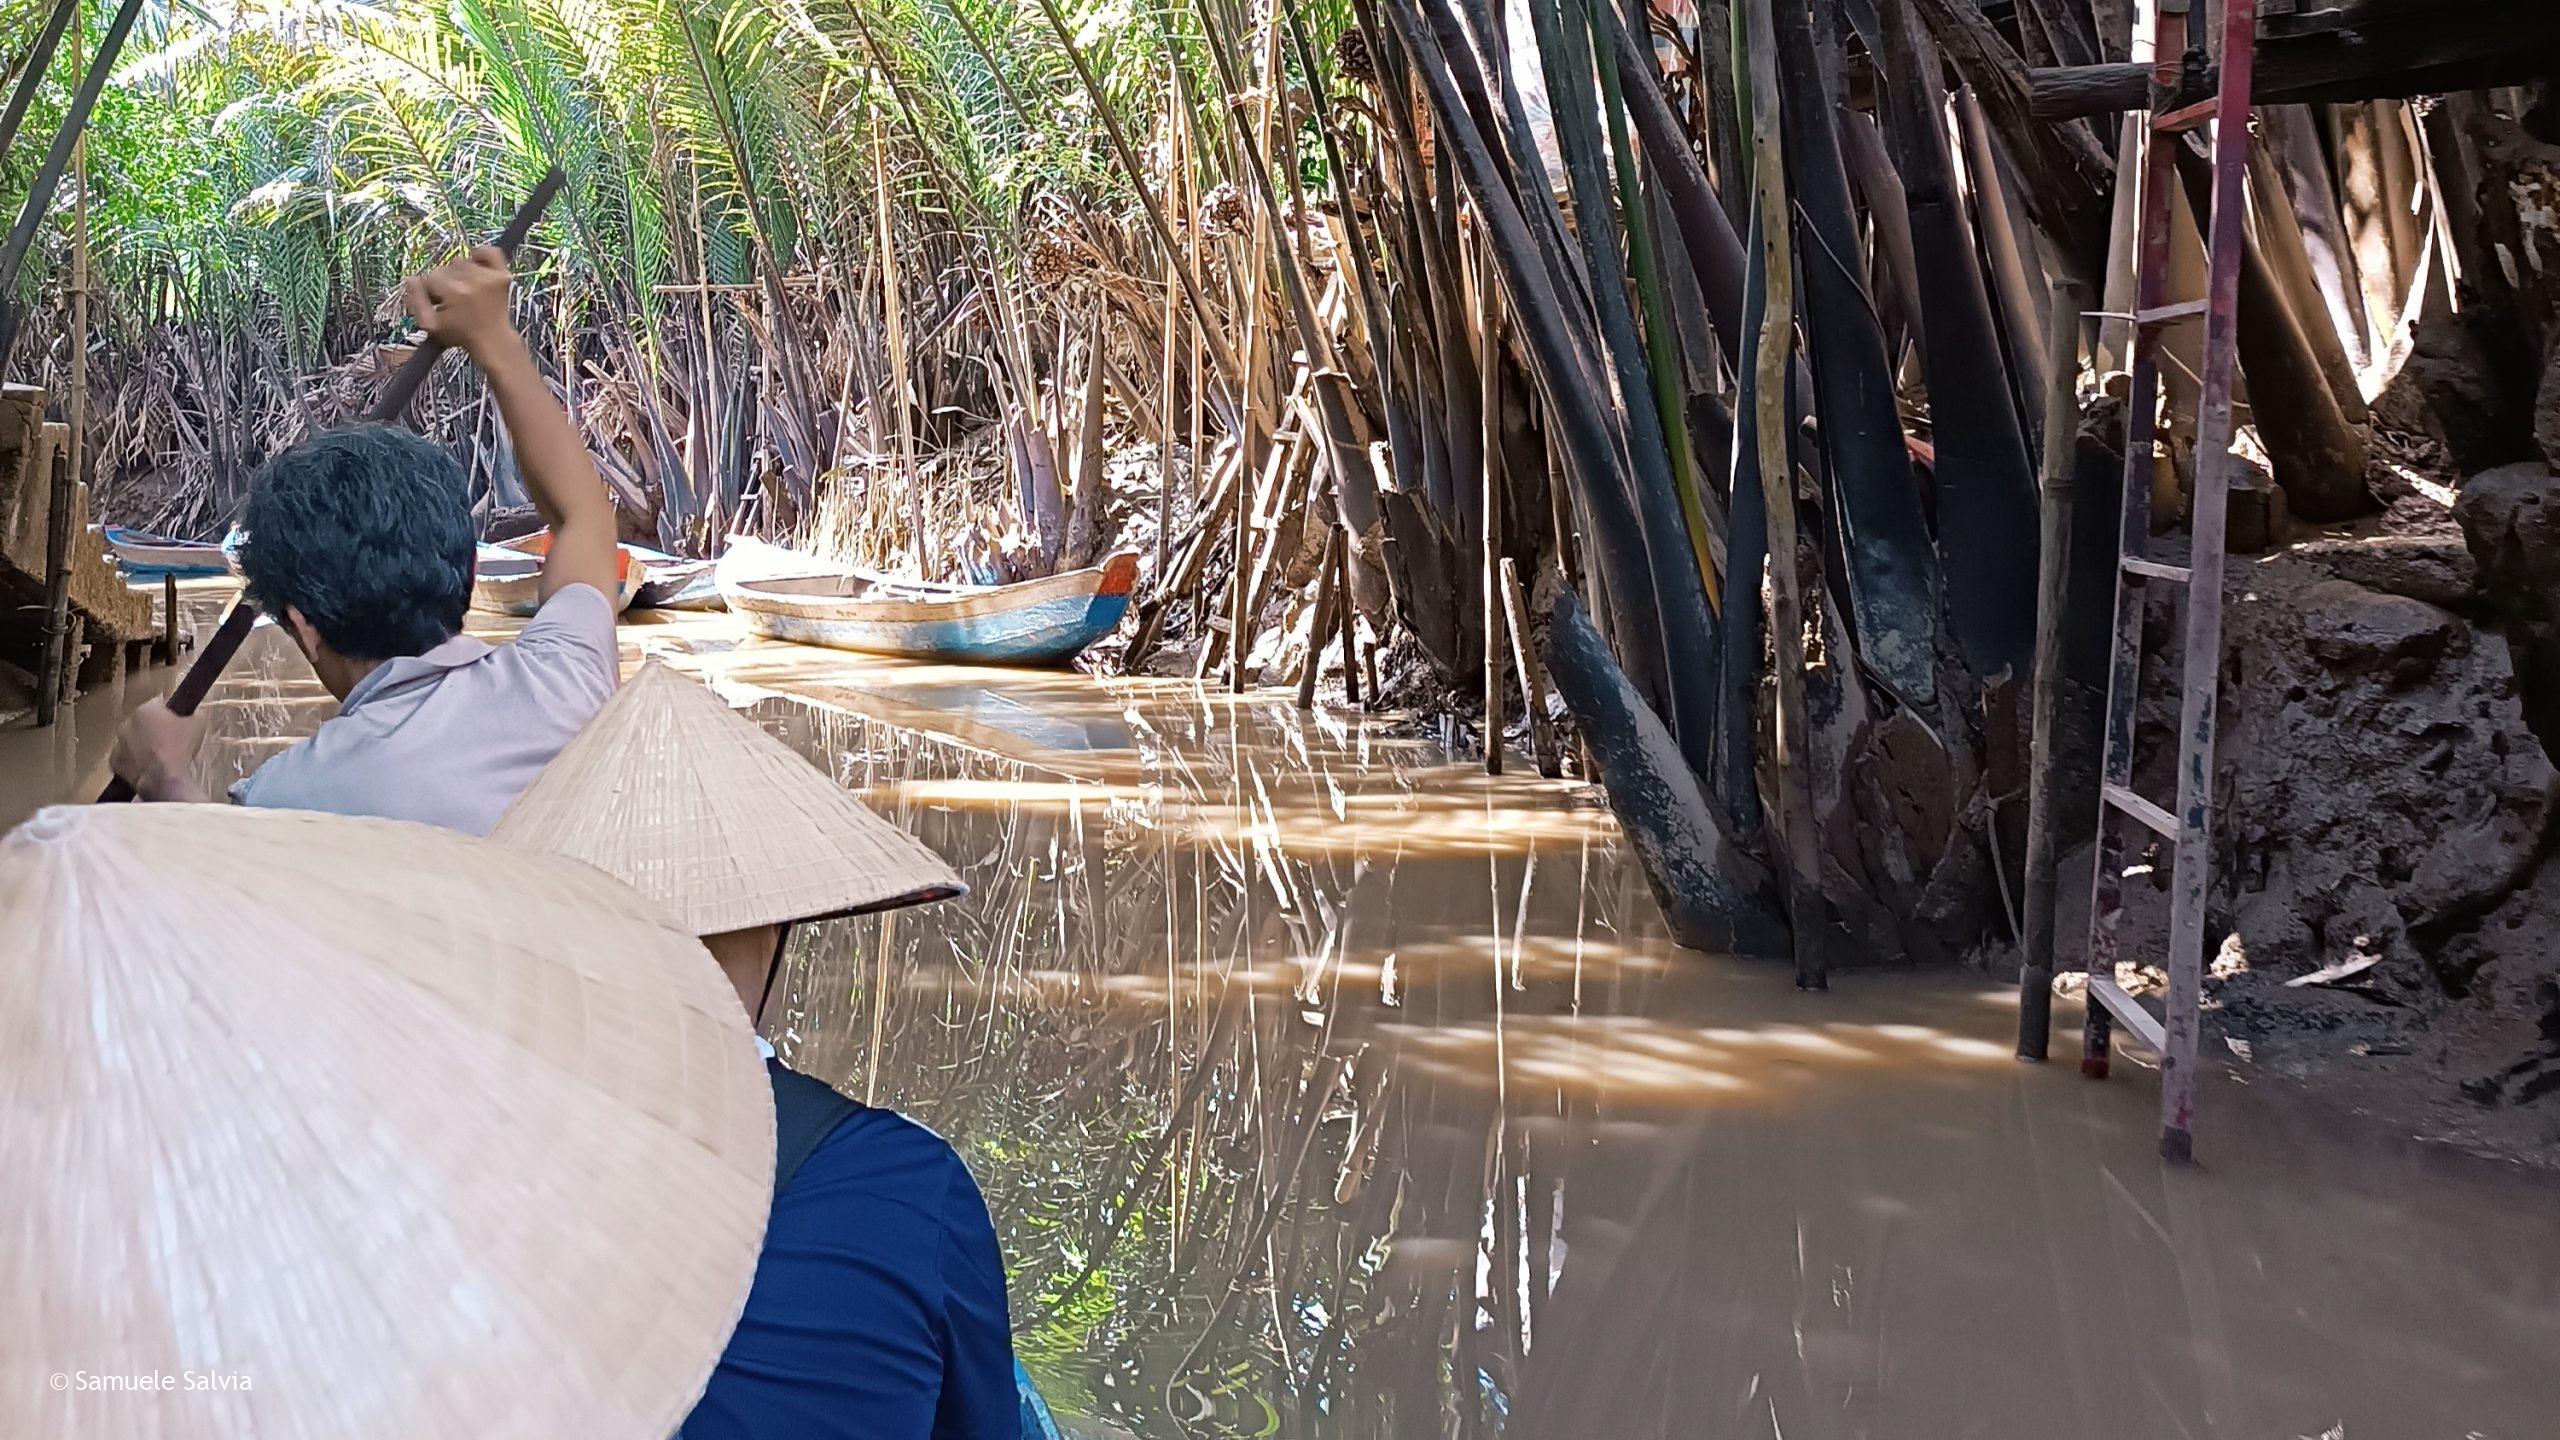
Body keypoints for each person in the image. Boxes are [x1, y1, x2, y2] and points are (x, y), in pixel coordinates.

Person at [109, 247, 621, 835]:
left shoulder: (290, 796)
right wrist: (494, 340)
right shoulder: (562, 678)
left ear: (304, 627)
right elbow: (582, 515)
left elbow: (245, 884)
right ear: (471, 572)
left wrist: (165, 779)